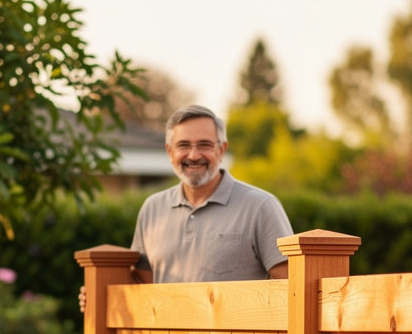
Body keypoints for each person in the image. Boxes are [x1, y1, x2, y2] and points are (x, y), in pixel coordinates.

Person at [79, 105, 292, 310]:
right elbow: (142, 287)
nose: (193, 155)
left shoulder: (260, 206)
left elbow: (290, 289)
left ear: (222, 149)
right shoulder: (152, 209)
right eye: (183, 145)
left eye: (204, 145)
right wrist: (97, 295)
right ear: (170, 151)